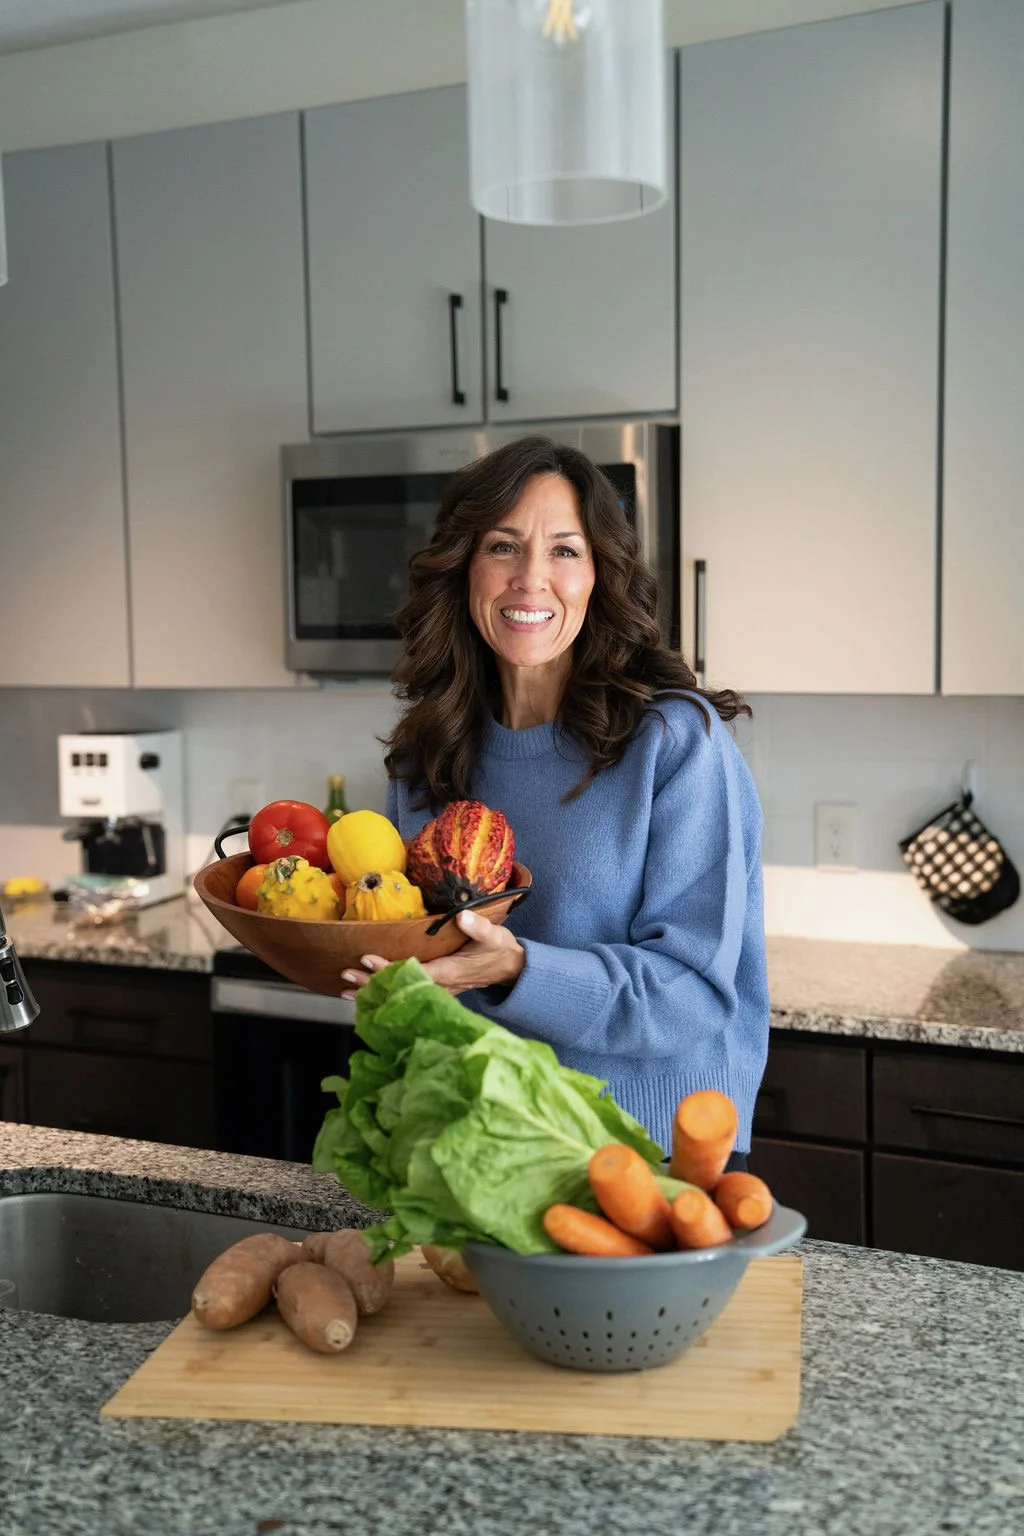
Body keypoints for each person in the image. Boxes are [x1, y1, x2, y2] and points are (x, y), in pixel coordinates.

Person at [340, 435, 769, 1160]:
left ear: (600, 574)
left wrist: (516, 968)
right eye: (503, 547)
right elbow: (419, 952)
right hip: (479, 1136)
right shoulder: (430, 752)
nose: (531, 579)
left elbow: (690, 992)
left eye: (565, 551)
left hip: (648, 1150)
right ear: (464, 567)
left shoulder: (673, 743)